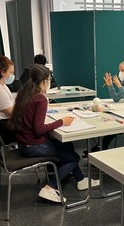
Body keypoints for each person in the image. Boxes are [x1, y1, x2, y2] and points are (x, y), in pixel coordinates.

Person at [8, 64, 99, 203]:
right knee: (74, 158)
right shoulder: (40, 99)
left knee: (68, 147)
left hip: (23, 143)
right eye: (49, 80)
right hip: (33, 145)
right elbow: (39, 129)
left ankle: (81, 180)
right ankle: (50, 187)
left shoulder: (24, 93)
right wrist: (62, 122)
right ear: (44, 81)